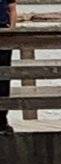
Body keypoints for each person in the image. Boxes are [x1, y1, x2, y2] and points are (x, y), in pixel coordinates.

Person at [0, 0, 17, 136]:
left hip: (3, 34)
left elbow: (12, 9)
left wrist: (11, 29)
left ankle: (2, 120)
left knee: (4, 78)